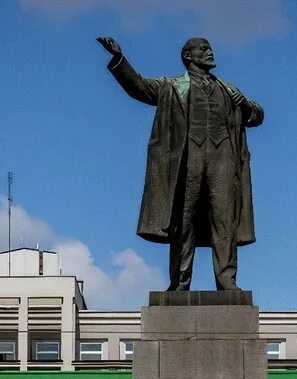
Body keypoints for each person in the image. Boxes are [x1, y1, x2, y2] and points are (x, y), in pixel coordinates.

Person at [98, 36, 264, 291]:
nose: (210, 53)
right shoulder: (172, 87)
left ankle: (226, 280)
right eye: (204, 49)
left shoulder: (228, 90)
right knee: (183, 222)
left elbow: (256, 116)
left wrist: (245, 105)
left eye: (210, 48)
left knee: (224, 221)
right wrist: (119, 59)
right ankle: (179, 282)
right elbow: (139, 87)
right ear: (188, 56)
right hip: (187, 162)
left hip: (223, 162)